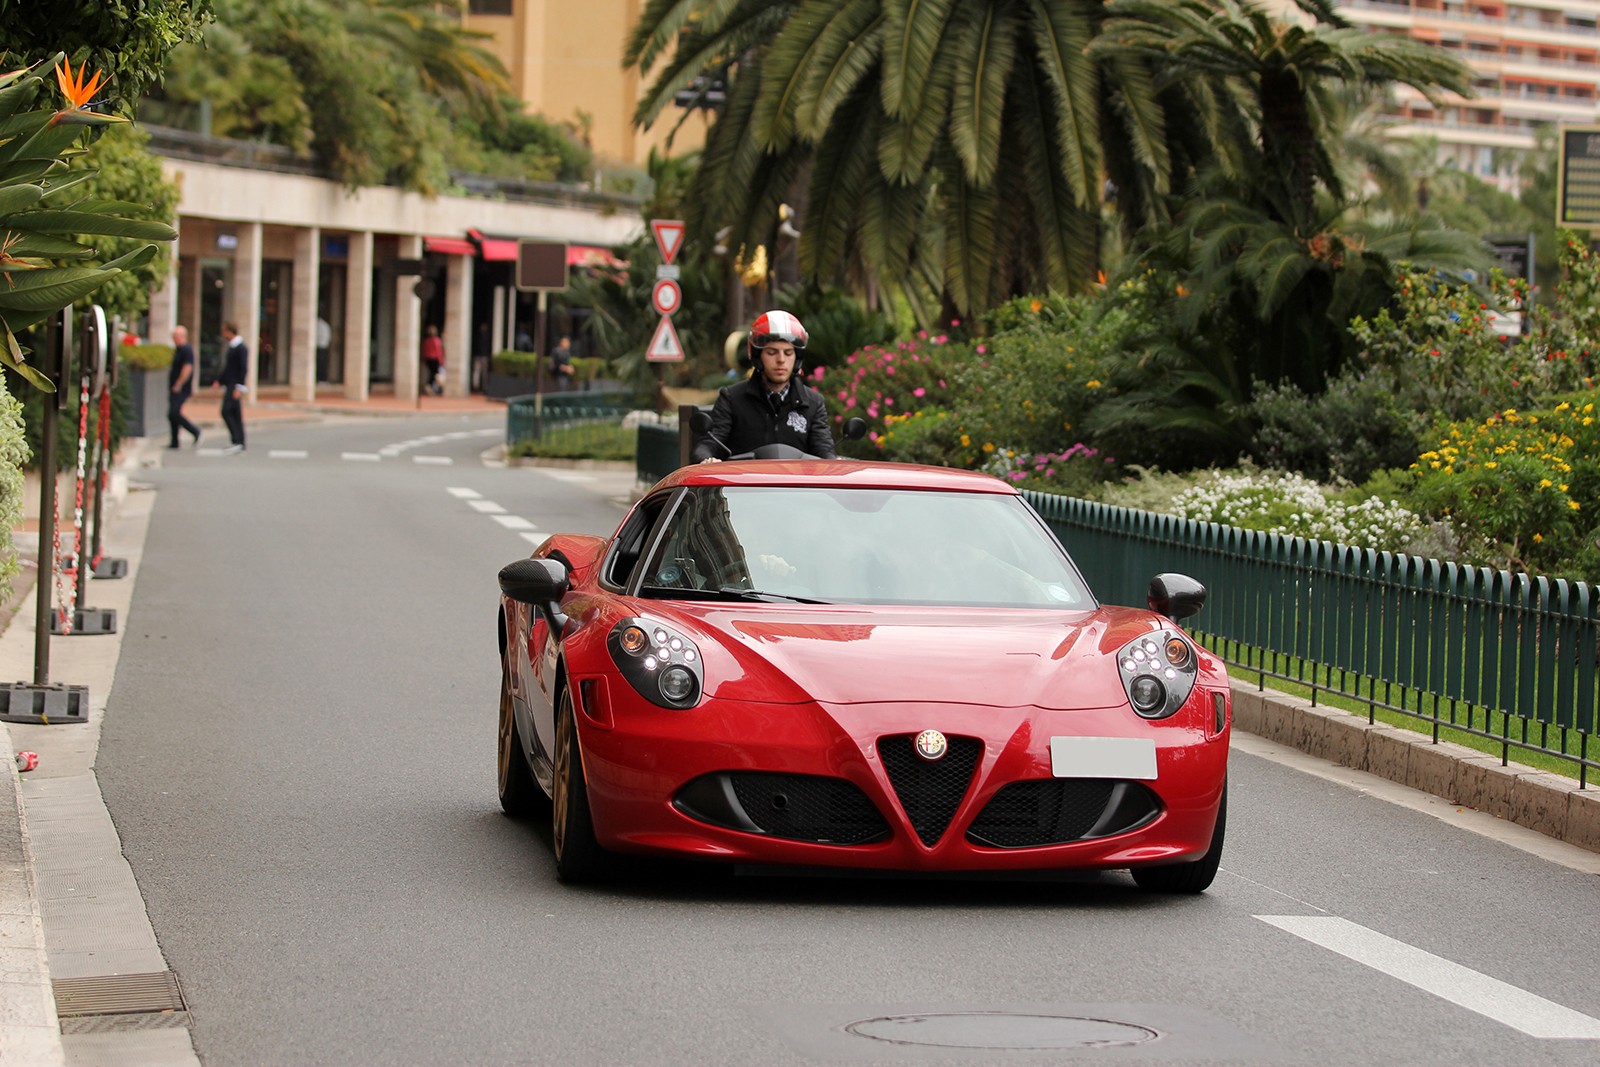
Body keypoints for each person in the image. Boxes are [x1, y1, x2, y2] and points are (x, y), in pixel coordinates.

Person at [693, 310, 835, 462]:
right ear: (757, 355)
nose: (781, 360)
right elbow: (709, 444)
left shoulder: (814, 403)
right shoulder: (731, 398)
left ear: (797, 358)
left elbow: (825, 450)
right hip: (744, 484)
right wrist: (707, 459)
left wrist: (834, 462)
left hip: (796, 485)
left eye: (788, 353)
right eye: (772, 352)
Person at [167, 325, 202, 449]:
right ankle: (175, 441)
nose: (173, 338)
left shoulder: (187, 350)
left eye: (175, 335)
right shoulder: (178, 349)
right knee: (172, 414)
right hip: (174, 386)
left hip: (181, 387)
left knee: (174, 412)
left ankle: (195, 431)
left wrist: (179, 383)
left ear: (182, 336)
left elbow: (187, 368)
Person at [217, 322, 248, 453]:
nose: (223, 334)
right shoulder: (232, 347)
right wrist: (219, 381)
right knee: (235, 413)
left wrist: (239, 387)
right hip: (230, 383)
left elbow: (243, 368)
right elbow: (228, 368)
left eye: (225, 331)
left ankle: (238, 440)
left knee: (227, 411)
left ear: (230, 331)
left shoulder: (241, 348)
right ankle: (237, 441)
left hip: (235, 385)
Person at [421, 325, 444, 395]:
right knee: (435, 374)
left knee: (431, 373)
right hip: (435, 359)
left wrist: (424, 359)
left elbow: (424, 351)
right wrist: (441, 360)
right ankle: (431, 387)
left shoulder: (426, 341)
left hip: (428, 359)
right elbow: (438, 351)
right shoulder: (437, 340)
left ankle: (430, 387)